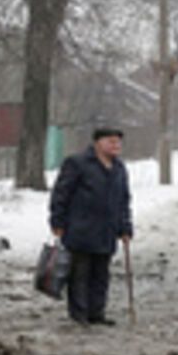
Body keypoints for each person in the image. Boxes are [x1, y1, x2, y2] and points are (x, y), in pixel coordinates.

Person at [48, 126, 133, 326]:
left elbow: (123, 200)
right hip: (80, 229)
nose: (116, 145)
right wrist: (57, 221)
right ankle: (79, 315)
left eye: (118, 142)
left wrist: (125, 227)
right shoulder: (77, 163)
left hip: (106, 231)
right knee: (80, 274)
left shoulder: (119, 168)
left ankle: (97, 313)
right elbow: (61, 194)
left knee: (101, 275)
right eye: (111, 141)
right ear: (97, 143)